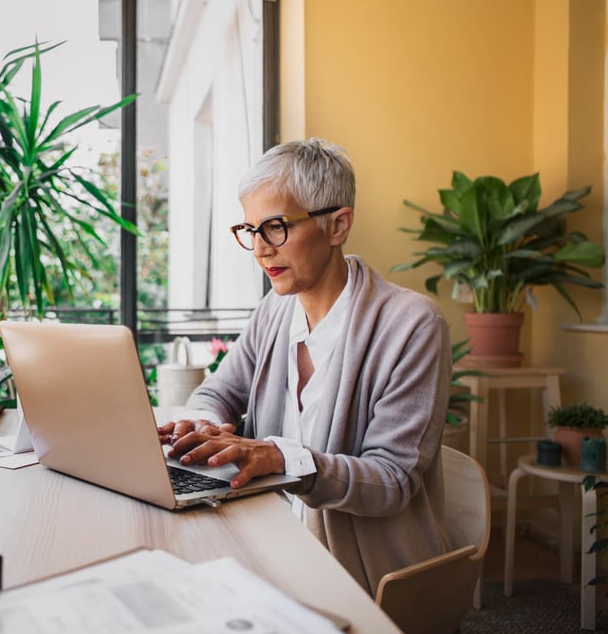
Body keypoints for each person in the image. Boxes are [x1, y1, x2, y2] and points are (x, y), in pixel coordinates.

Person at [157, 137, 452, 596]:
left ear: (338, 225)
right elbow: (219, 393)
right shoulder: (275, 311)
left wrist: (282, 458)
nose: (259, 250)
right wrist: (202, 425)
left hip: (363, 575)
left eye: (275, 227)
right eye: (250, 230)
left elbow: (393, 480)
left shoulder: (413, 325)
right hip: (270, 543)